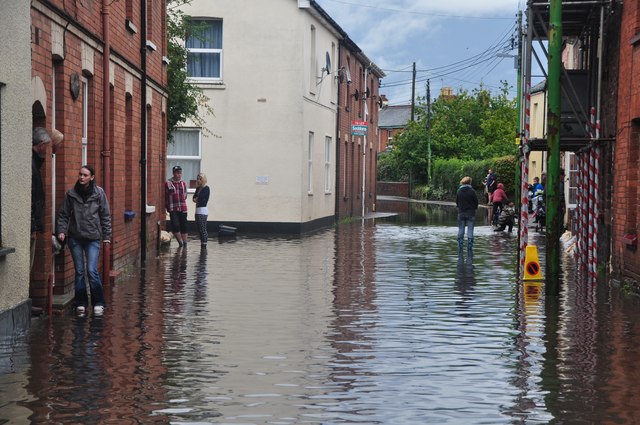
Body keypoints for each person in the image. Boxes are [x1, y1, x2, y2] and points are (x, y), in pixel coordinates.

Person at [56, 165, 112, 317]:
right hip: (75, 238)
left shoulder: (99, 194)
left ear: (92, 177)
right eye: (80, 174)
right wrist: (61, 231)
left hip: (93, 238)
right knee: (79, 271)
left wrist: (107, 237)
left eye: (85, 175)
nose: (81, 177)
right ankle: (81, 302)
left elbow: (105, 216)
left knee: (91, 270)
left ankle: (98, 302)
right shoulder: (71, 194)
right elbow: (63, 214)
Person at [31, 127, 52, 270]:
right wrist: (33, 227)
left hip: (32, 224)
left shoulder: (34, 163)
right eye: (47, 146)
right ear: (41, 144)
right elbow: (31, 198)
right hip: (30, 226)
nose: (47, 149)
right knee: (28, 263)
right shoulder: (31, 166)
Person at [165, 165, 188, 247]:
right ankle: (180, 243)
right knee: (175, 225)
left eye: (180, 173)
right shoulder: (168, 183)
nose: (179, 175)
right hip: (173, 208)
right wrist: (167, 207)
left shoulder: (183, 184)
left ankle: (185, 243)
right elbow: (166, 196)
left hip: (182, 207)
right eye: (177, 173)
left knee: (184, 225)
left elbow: (185, 195)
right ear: (173, 173)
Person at [456, 176, 478, 256]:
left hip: (461, 213)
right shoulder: (472, 191)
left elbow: (457, 202)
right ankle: (469, 246)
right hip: (471, 213)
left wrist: (460, 208)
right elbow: (476, 202)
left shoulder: (459, 191)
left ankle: (460, 245)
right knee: (470, 229)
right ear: (469, 182)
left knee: (461, 229)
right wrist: (474, 208)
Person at [192, 172, 210, 248]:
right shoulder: (198, 188)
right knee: (199, 228)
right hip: (197, 210)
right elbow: (194, 198)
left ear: (203, 180)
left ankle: (204, 243)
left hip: (202, 211)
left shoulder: (206, 188)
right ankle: (202, 242)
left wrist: (197, 199)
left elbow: (202, 199)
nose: (198, 180)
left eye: (200, 179)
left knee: (203, 228)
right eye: (197, 179)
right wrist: (196, 199)